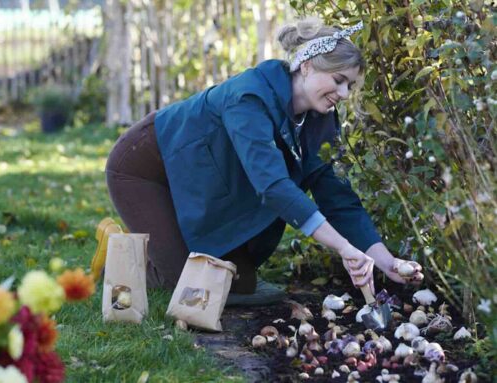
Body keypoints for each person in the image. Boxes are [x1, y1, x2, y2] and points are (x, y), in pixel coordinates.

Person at [94, 17, 423, 306]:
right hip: (146, 168)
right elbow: (273, 186)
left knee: (241, 284)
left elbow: (338, 197)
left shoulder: (321, 120)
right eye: (339, 80)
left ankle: (166, 242)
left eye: (351, 85)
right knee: (190, 287)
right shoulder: (249, 96)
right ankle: (116, 251)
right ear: (306, 65)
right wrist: (343, 248)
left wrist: (386, 262)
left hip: (194, 178)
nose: (346, 93)